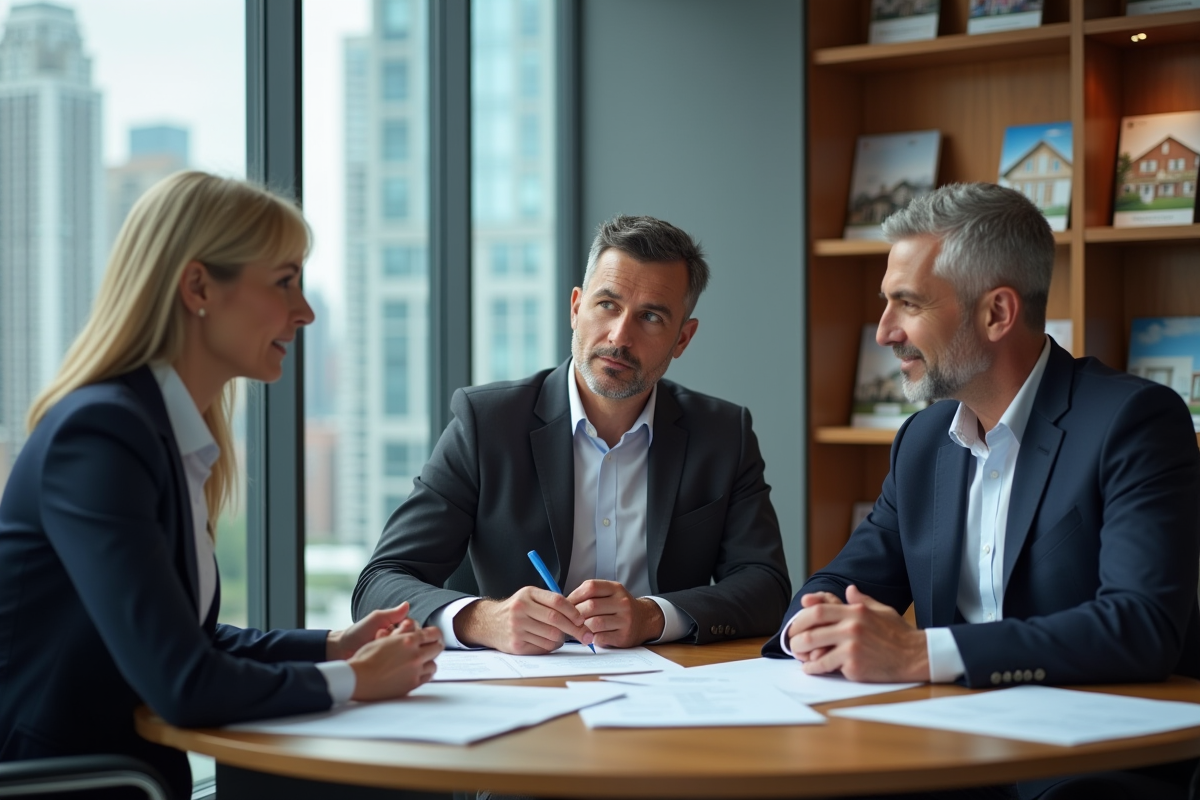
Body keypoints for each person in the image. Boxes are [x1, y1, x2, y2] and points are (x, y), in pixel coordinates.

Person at [0, 171, 443, 799]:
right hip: (73, 786)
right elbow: (183, 683)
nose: (306, 311)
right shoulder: (99, 436)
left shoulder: (163, 434)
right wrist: (355, 680)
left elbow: (191, 640)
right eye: (285, 281)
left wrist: (335, 646)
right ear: (199, 286)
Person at [764, 182, 1200, 799]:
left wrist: (923, 654)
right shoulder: (922, 440)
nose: (884, 332)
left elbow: (1141, 626)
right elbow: (838, 582)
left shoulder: (1134, 421)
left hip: (1089, 765)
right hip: (944, 750)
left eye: (908, 304)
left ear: (997, 313)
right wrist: (815, 627)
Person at [354, 214, 791, 654]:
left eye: (651, 317)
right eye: (607, 305)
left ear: (683, 338)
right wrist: (484, 619)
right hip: (517, 693)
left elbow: (766, 587)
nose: (620, 336)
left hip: (665, 691)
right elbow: (380, 583)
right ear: (576, 307)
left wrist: (652, 616)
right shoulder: (486, 423)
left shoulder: (722, 434)